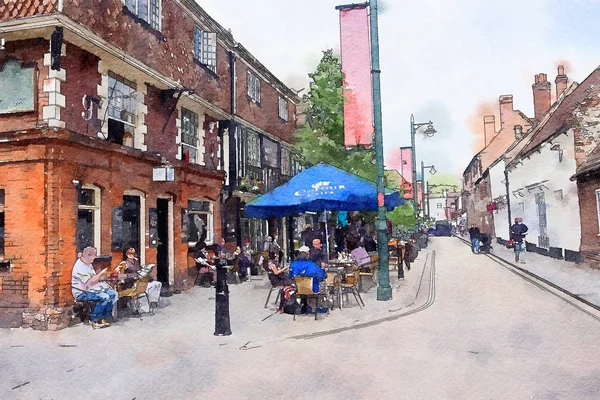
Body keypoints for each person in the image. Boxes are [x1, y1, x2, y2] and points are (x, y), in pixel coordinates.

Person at [71, 246, 117, 329]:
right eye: (94, 255)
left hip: (91, 290)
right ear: (88, 255)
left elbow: (93, 280)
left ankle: (103, 317)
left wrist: (102, 279)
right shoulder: (80, 267)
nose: (95, 257)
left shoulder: (88, 264)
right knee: (104, 297)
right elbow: (89, 283)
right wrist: (100, 274)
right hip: (81, 292)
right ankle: (94, 319)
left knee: (113, 294)